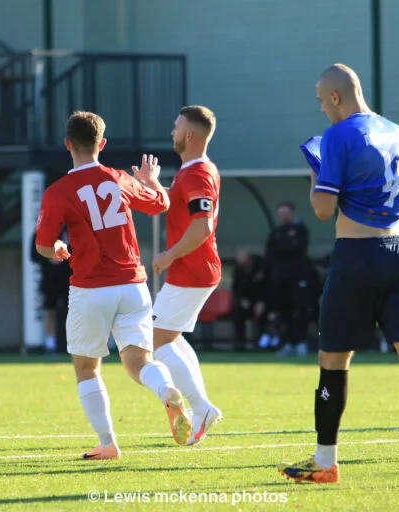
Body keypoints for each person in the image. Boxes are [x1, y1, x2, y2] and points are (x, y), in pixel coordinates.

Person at [278, 64, 399, 485]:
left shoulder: (338, 136)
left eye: (322, 101)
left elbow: (324, 210)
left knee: (333, 359)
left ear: (337, 97)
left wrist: (316, 173)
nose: (322, 109)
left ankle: (325, 461)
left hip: (356, 255)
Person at [35, 111, 192, 459]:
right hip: (133, 286)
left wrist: (58, 248)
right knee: (138, 361)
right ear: (102, 144)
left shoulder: (58, 191)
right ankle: (166, 388)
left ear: (67, 145)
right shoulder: (118, 178)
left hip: (91, 288)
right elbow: (161, 204)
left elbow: (43, 244)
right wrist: (151, 181)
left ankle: (107, 443)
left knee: (87, 367)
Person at [137, 105, 223, 446]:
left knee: (156, 342)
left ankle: (201, 408)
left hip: (193, 268)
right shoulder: (191, 170)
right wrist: (155, 184)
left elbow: (201, 227)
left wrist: (168, 255)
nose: (172, 131)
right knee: (167, 339)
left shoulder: (199, 173)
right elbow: (182, 210)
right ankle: (204, 406)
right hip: (193, 268)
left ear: (189, 135)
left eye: (176, 127)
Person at [264, 202, 314, 357]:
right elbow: (271, 253)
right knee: (283, 312)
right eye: (281, 213)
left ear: (292, 213)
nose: (283, 216)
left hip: (298, 278)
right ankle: (287, 343)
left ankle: (301, 342)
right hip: (280, 279)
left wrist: (284, 249)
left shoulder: (300, 230)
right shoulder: (276, 232)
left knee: (299, 310)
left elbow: (298, 249)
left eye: (286, 213)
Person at [29, 229, 71, 353]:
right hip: (49, 278)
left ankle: (70, 342)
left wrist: (65, 257)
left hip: (68, 277)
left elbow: (78, 251)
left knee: (71, 311)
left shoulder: (69, 230)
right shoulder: (40, 232)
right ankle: (51, 343)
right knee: (49, 310)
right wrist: (49, 257)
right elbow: (34, 255)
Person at [232, 249, 267, 345]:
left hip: (262, 302)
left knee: (264, 315)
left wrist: (262, 302)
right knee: (237, 312)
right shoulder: (239, 270)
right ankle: (240, 342)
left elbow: (268, 288)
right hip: (247, 302)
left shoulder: (262, 268)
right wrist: (242, 300)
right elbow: (236, 288)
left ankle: (261, 343)